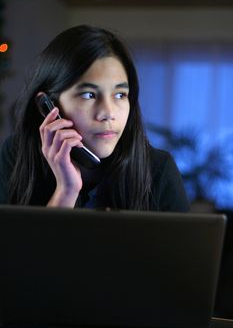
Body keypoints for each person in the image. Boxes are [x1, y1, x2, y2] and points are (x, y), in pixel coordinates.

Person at [0, 24, 189, 211]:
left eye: (119, 95)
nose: (108, 113)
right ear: (47, 106)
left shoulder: (158, 171)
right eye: (89, 95)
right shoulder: (15, 157)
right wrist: (66, 191)